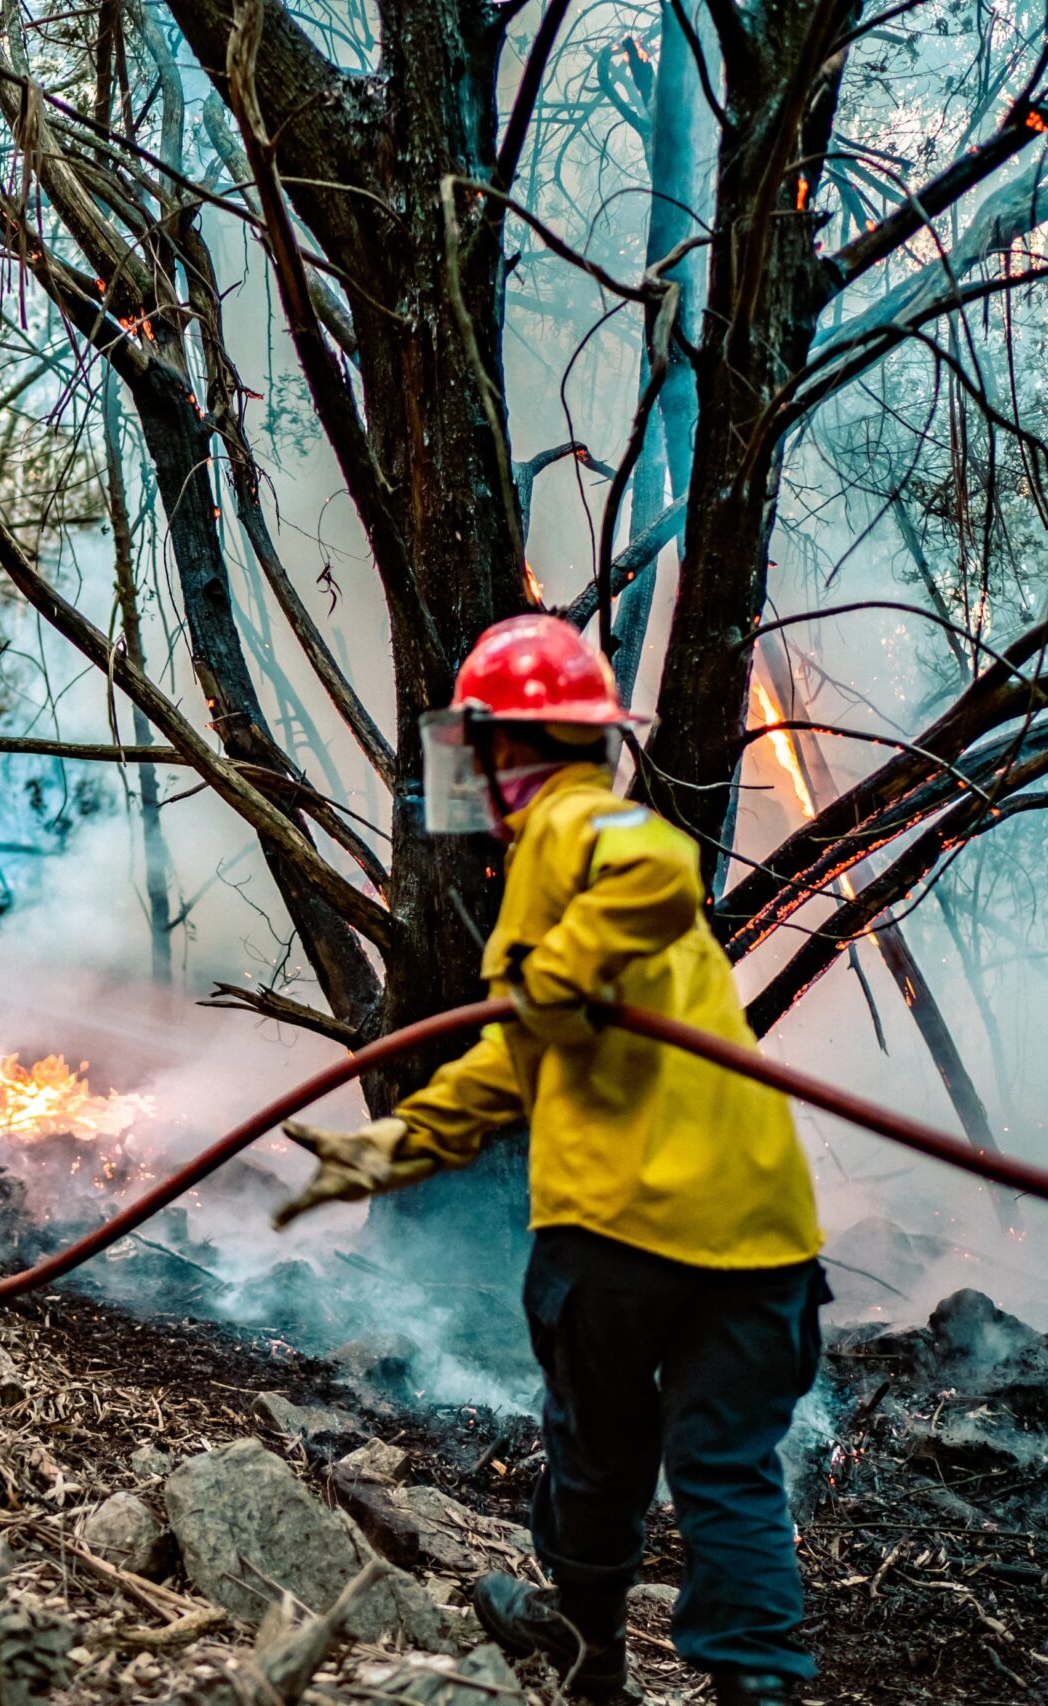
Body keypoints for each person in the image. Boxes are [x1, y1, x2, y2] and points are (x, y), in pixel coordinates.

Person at [274, 616, 826, 1706]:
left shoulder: (569, 824)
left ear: (496, 744)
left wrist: (560, 961)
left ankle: (588, 1658)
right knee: (726, 1474)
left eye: (471, 744)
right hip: (760, 1236)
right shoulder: (586, 856)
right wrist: (396, 1144)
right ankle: (758, 1687)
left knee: (599, 1454)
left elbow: (662, 865)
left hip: (620, 1232)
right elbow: (521, 1051)